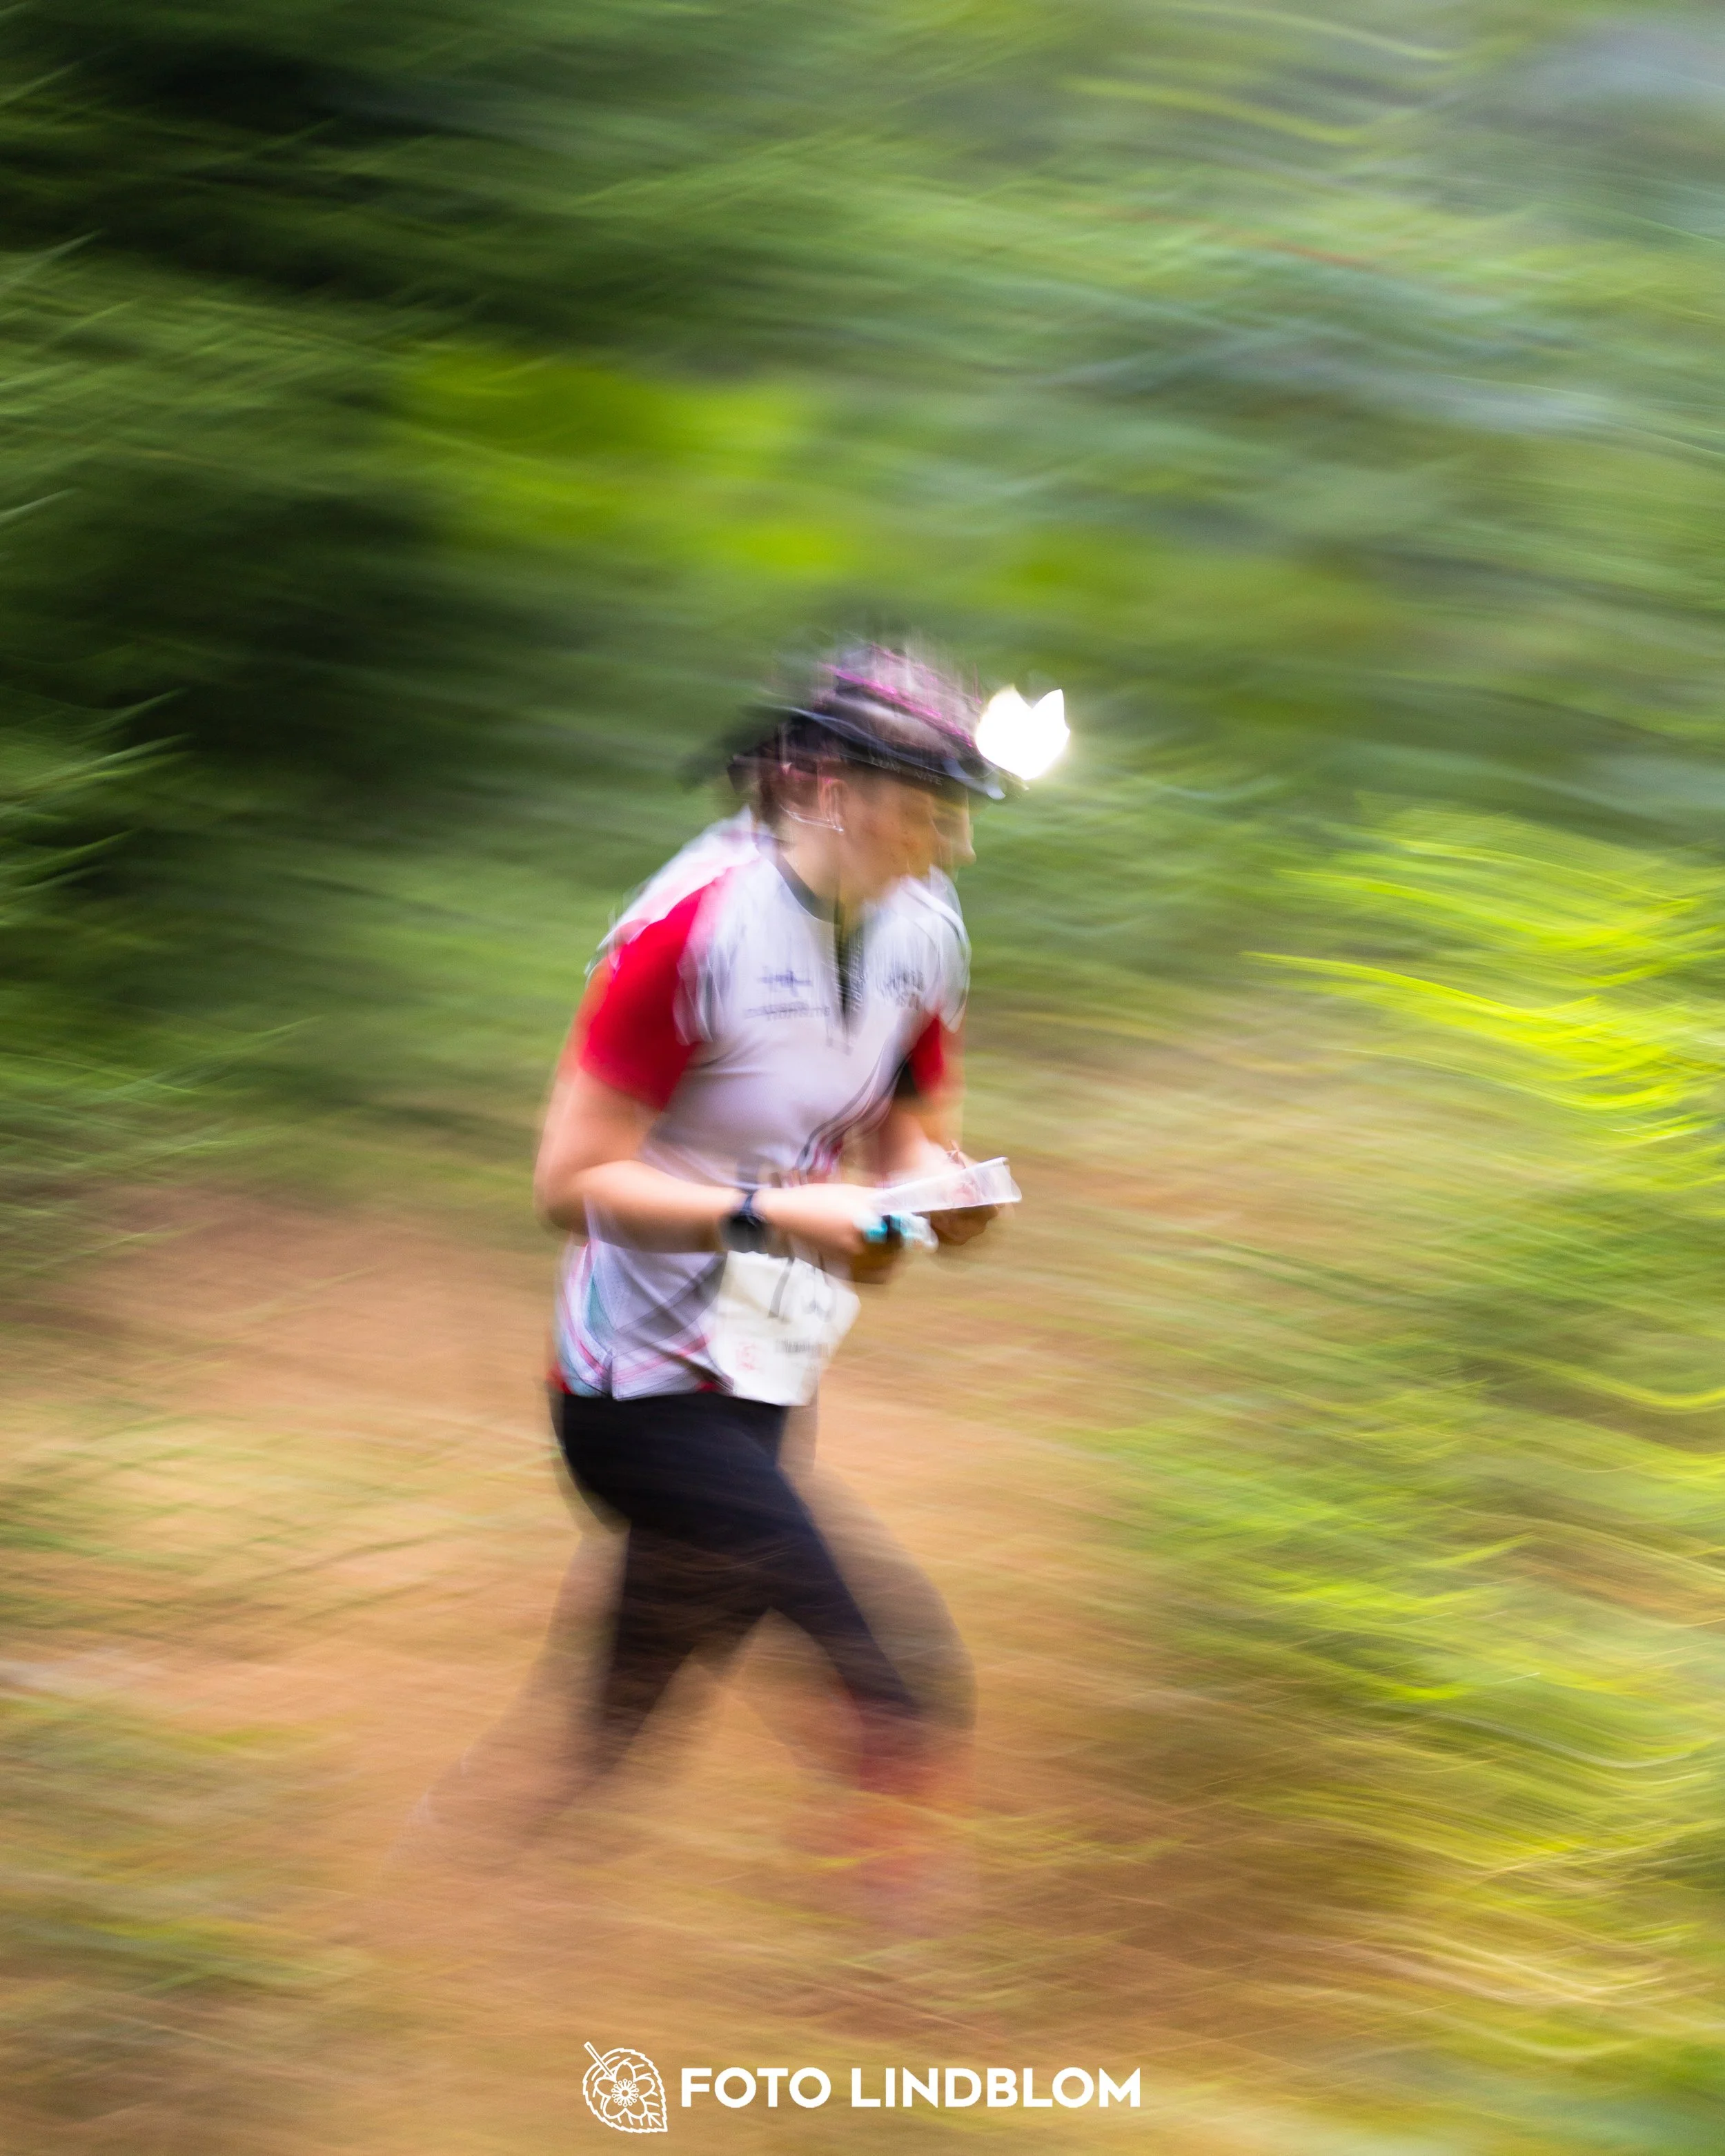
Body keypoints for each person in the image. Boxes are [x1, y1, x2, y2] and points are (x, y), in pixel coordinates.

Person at [421, 644, 1005, 1871]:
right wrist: (781, 1216)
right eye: (928, 809)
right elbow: (568, 1183)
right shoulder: (693, 932)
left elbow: (912, 1133)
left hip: (763, 1377)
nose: (951, 845)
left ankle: (464, 1879)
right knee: (895, 1698)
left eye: (959, 813)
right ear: (832, 787)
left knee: (609, 1731)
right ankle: (891, 2005)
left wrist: (931, 1201)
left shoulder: (924, 929)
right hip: (632, 1392)